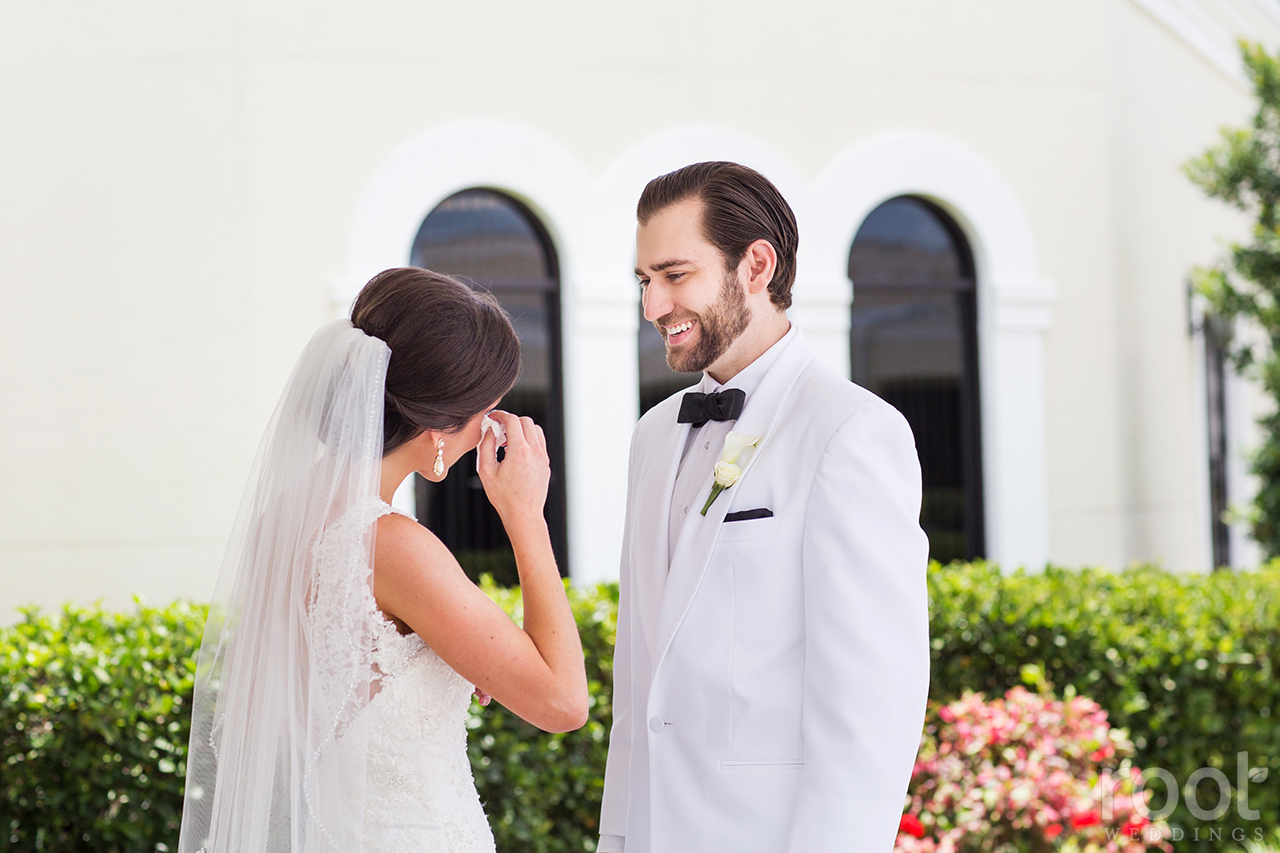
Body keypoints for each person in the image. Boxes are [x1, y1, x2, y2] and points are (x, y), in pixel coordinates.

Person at [179, 267, 588, 853]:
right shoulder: (391, 544)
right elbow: (564, 702)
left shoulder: (286, 517)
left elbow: (339, 690)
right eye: (487, 410)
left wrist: (446, 660)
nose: (490, 429)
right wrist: (526, 517)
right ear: (437, 425)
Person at [598, 162, 930, 852]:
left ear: (756, 264)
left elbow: (870, 708)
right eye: (643, 282)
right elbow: (639, 685)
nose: (652, 306)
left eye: (674, 275)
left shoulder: (850, 430)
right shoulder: (652, 435)